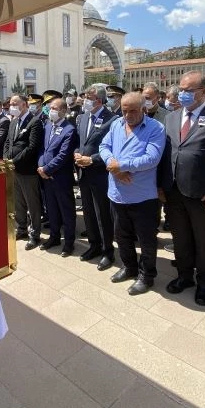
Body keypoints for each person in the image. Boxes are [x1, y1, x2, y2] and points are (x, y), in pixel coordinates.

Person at [161, 71, 205, 306]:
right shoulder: (171, 117)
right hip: (173, 191)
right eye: (181, 89)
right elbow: (166, 153)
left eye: (188, 90)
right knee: (180, 238)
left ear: (203, 92)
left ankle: (204, 283)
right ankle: (184, 276)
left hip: (202, 195)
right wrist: (161, 186)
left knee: (204, 241)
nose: (182, 94)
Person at [99, 92, 165, 295]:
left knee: (146, 240)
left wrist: (121, 165)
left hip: (142, 196)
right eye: (124, 111)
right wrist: (113, 166)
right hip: (117, 193)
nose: (128, 115)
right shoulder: (116, 124)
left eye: (133, 111)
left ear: (144, 109)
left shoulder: (156, 128)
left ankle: (146, 276)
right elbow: (104, 146)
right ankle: (129, 267)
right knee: (121, 235)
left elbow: (151, 158)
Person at [74, 84, 116, 270]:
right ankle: (94, 245)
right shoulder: (83, 117)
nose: (84, 100)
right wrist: (77, 153)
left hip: (100, 174)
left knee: (102, 214)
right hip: (83, 173)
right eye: (84, 97)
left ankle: (108, 251)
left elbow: (113, 148)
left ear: (98, 100)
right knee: (89, 212)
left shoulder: (112, 120)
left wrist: (92, 159)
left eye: (88, 97)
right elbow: (80, 142)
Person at [37, 97, 79, 257]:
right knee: (52, 209)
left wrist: (47, 169)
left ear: (63, 110)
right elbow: (43, 149)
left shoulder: (69, 130)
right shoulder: (48, 125)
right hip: (46, 176)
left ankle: (69, 243)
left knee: (66, 211)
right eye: (50, 108)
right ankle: (54, 237)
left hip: (61, 177)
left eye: (54, 108)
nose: (50, 111)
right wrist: (41, 166)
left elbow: (63, 155)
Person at [4, 94, 45, 250]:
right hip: (13, 169)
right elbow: (8, 142)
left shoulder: (34, 122)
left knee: (32, 203)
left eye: (15, 103)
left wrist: (14, 161)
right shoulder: (13, 121)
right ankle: (21, 229)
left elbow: (32, 147)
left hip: (27, 170)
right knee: (18, 202)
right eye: (11, 104)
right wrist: (6, 159)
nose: (12, 106)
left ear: (24, 105)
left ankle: (35, 234)